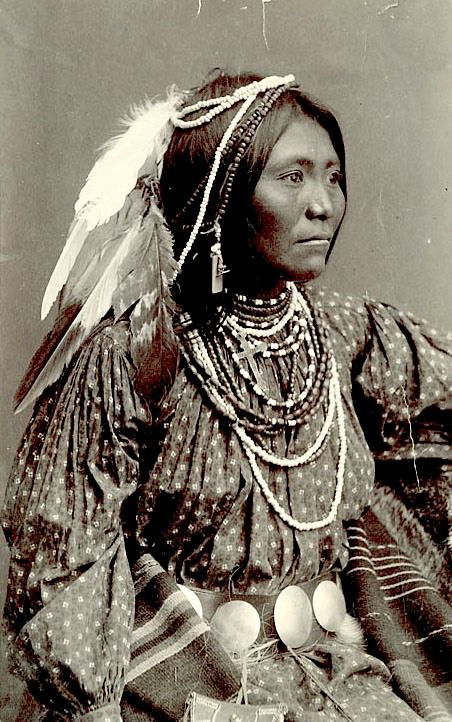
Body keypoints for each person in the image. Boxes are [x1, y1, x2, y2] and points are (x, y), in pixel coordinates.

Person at [2, 71, 451, 722]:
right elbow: (62, 553)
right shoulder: (138, 356)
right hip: (185, 690)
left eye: (332, 175)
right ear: (221, 198)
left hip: (347, 677)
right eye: (292, 177)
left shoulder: (350, 332)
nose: (324, 203)